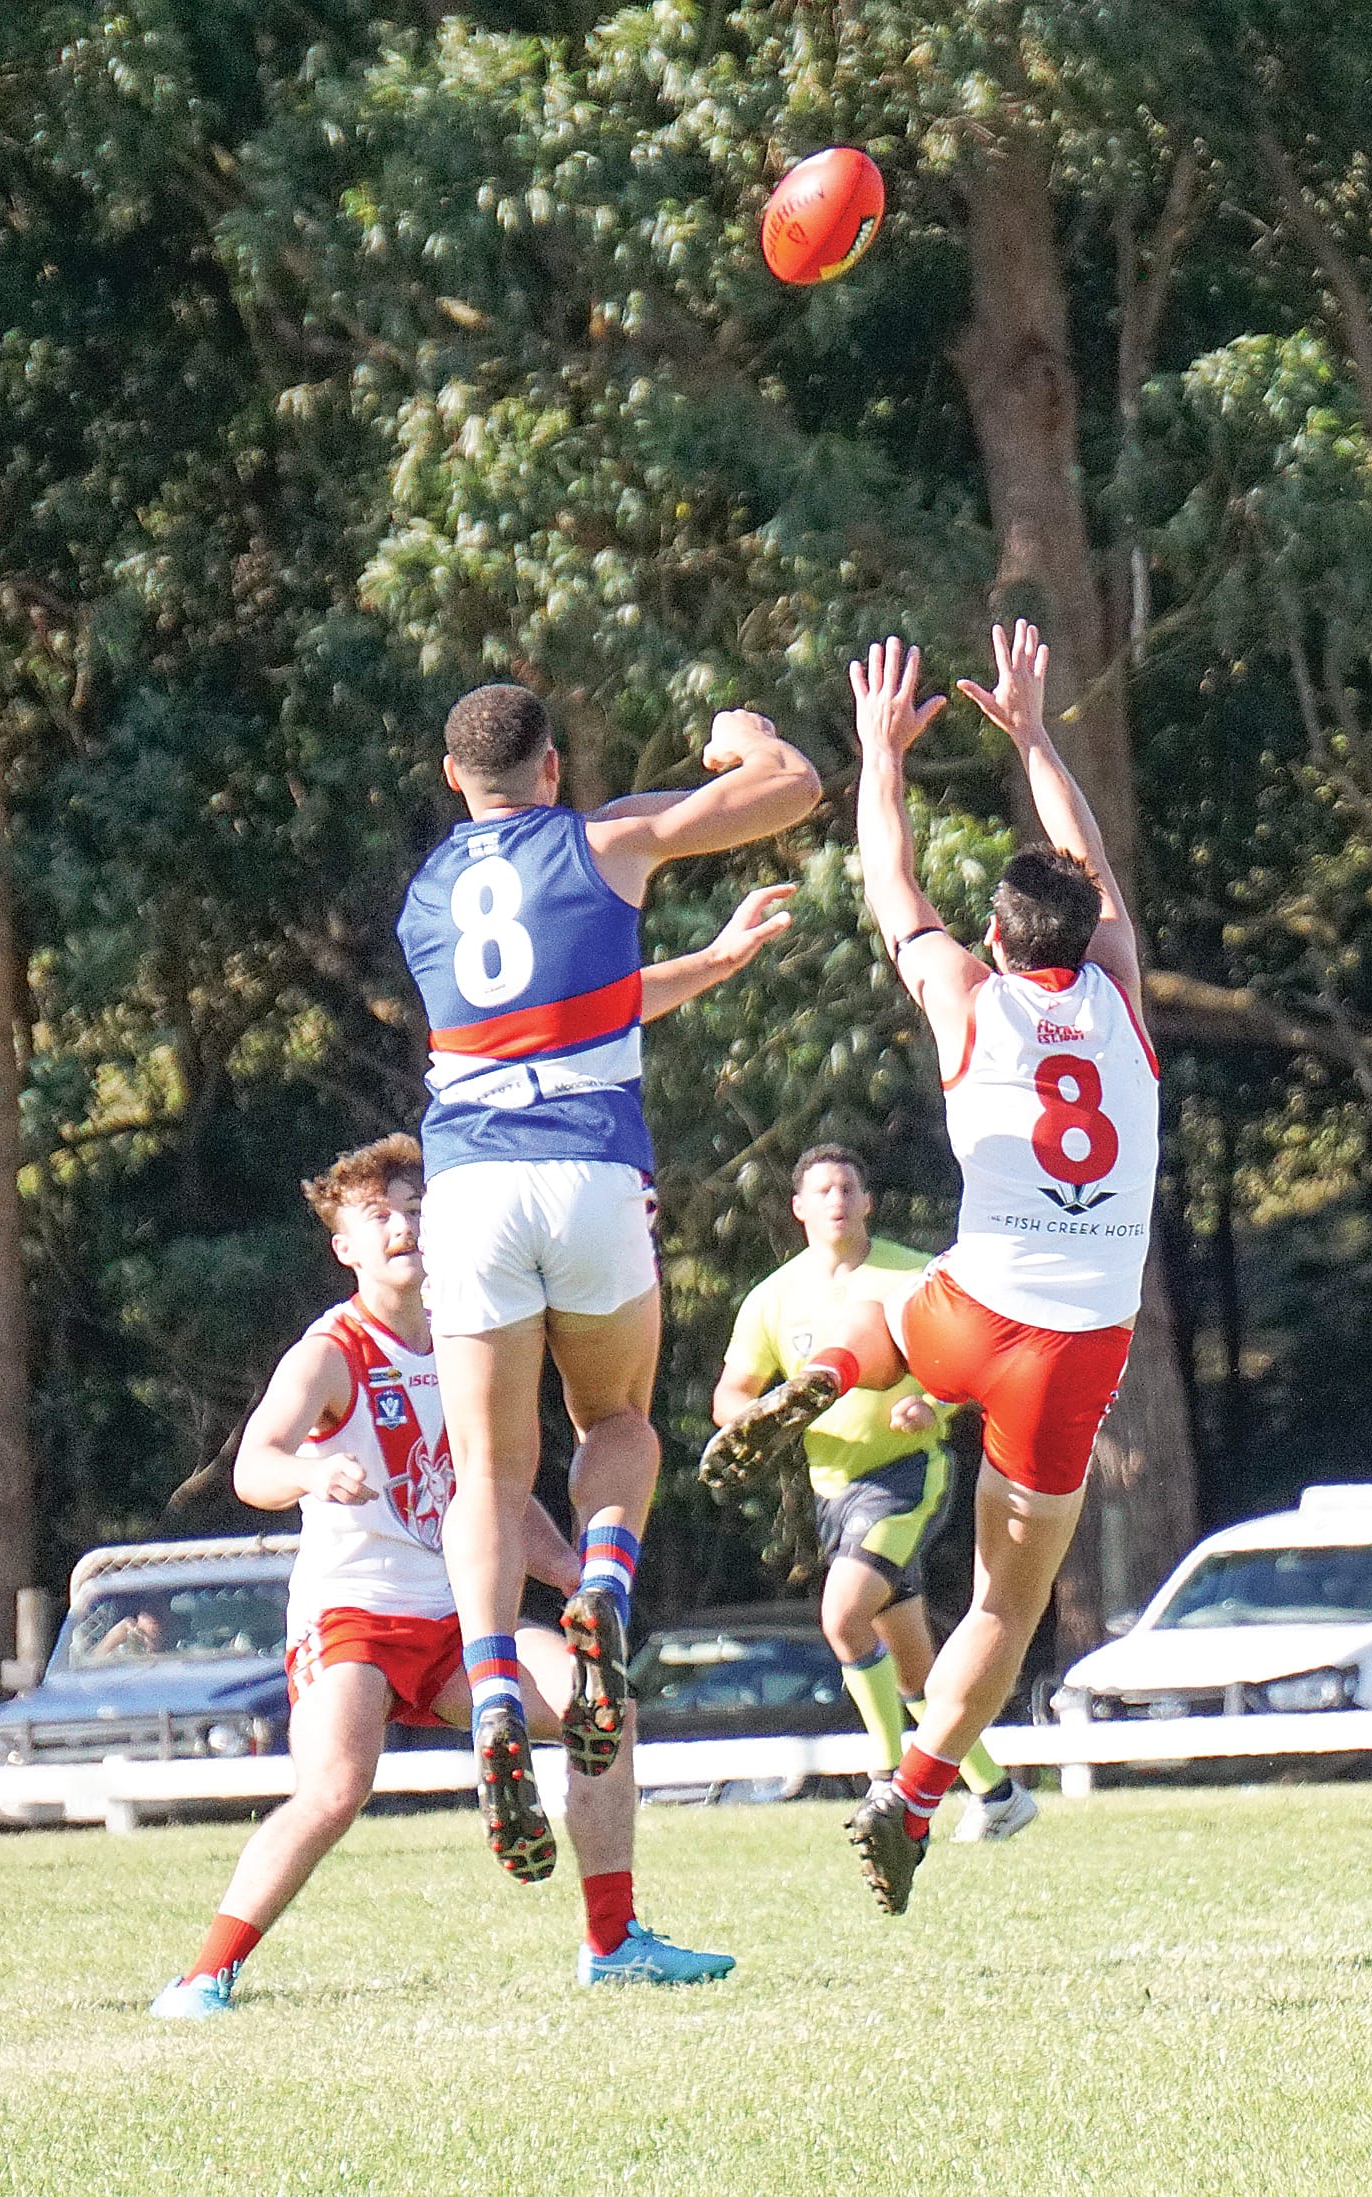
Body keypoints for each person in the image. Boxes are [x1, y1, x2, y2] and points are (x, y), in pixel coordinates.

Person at [151, 904, 787, 2020]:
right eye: (376, 1218)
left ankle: (612, 1938)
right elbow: (254, 1462)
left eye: (413, 1208)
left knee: (603, 1704)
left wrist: (570, 1583)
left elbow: (495, 1500)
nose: (402, 1226)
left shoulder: (476, 1330)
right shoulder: (331, 1350)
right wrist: (315, 1475)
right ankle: (205, 1973)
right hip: (354, 1612)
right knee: (337, 1787)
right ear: (343, 1246)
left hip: (459, 1622)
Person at [701, 623, 1158, 1913]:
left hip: (966, 1315)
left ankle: (833, 1370)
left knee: (877, 1299)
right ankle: (911, 1798)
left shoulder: (965, 992)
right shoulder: (1120, 997)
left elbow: (888, 878)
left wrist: (878, 756)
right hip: (1077, 1349)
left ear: (1002, 937)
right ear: (1086, 930)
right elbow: (1097, 869)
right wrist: (1036, 735)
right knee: (1004, 1609)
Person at [396, 682, 820, 1877]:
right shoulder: (604, 835)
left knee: (487, 1466)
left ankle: (490, 1687)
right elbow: (790, 789)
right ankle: (603, 1580)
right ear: (554, 766)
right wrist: (746, 739)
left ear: (451, 777)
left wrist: (714, 963)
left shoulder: (426, 895)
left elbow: (567, 1008)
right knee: (618, 1418)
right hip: (587, 1167)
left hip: (470, 1184)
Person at [706, 1143, 1035, 1843]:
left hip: (905, 1478)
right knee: (915, 1675)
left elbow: (974, 1367)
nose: (836, 1199)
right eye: (821, 1189)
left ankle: (886, 1777)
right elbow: (731, 1393)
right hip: (833, 1490)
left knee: (842, 1614)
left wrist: (935, 1407)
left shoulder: (913, 1275)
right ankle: (999, 1793)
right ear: (798, 1207)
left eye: (848, 1186)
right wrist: (755, 1420)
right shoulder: (774, 1296)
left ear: (868, 1201)